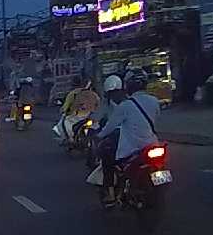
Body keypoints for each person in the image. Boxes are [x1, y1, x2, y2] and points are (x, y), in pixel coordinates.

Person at [94, 69, 160, 207]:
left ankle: (110, 193)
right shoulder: (154, 101)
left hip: (132, 147)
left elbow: (110, 126)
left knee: (107, 158)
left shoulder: (125, 106)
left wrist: (99, 136)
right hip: (152, 143)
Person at [61, 76, 101, 142]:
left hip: (83, 116)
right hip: (86, 116)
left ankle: (70, 139)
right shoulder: (94, 95)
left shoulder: (73, 94)